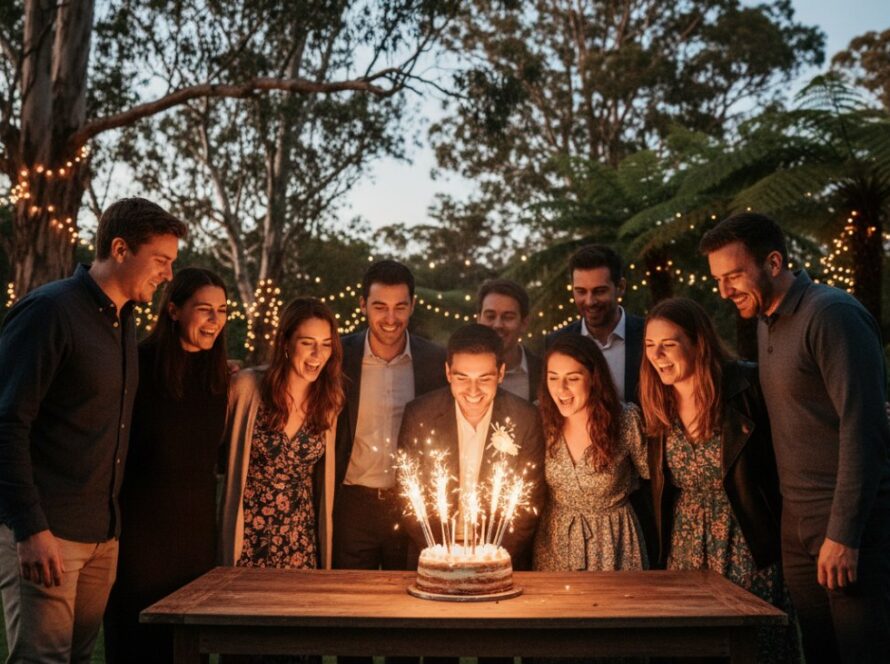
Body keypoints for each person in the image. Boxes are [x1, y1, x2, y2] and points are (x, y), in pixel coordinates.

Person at [0, 197, 187, 663]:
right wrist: (30, 528)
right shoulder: (49, 312)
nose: (167, 274)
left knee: (80, 659)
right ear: (120, 249)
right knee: (42, 660)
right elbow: (7, 422)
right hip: (48, 533)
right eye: (161, 260)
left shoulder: (124, 321)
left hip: (103, 534)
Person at [700, 212, 890, 663]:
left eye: (733, 276)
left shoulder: (831, 314)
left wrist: (844, 534)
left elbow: (863, 428)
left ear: (773, 262)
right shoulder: (766, 321)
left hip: (849, 524)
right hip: (798, 527)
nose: (725, 292)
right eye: (718, 280)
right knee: (820, 653)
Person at [640, 297, 801, 663]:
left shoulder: (746, 387)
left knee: (753, 646)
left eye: (669, 344)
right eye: (650, 345)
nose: (657, 355)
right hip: (685, 551)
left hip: (747, 538)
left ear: (698, 342)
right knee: (690, 648)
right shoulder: (655, 403)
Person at [103, 267, 230, 663]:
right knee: (138, 645)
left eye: (222, 310)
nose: (215, 320)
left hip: (196, 540)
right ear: (173, 310)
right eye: (204, 309)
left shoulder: (220, 377)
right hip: (140, 537)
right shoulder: (136, 365)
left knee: (188, 647)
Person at [398, 324, 546, 570]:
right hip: (434, 555)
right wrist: (441, 556)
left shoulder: (525, 418)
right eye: (462, 377)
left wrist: (491, 558)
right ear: (448, 373)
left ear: (500, 373)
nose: (473, 391)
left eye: (484, 378)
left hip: (499, 557)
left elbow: (529, 505)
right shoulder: (419, 414)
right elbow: (407, 496)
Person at [332, 260, 447, 572]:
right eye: (380, 306)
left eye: (400, 306)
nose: (391, 318)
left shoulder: (435, 361)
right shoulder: (339, 356)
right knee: (350, 602)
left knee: (406, 601)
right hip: (352, 504)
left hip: (410, 503)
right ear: (363, 305)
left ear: (412, 305)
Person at [220, 297, 343, 573]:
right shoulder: (247, 387)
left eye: (325, 344)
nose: (317, 354)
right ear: (286, 343)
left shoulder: (329, 402)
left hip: (300, 535)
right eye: (307, 342)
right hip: (248, 533)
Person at [533, 334, 649, 572]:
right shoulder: (539, 418)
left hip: (613, 542)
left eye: (572, 378)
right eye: (553, 377)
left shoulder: (625, 420)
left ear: (593, 378)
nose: (561, 389)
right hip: (555, 543)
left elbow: (653, 478)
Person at [546, 244, 643, 404]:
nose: (590, 301)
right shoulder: (556, 342)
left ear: (620, 287)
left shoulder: (647, 336)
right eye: (581, 291)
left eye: (599, 291)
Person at [476, 278, 542, 402]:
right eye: (490, 316)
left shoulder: (544, 374)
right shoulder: (456, 372)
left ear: (524, 323)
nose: (497, 325)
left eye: (508, 317)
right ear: (478, 319)